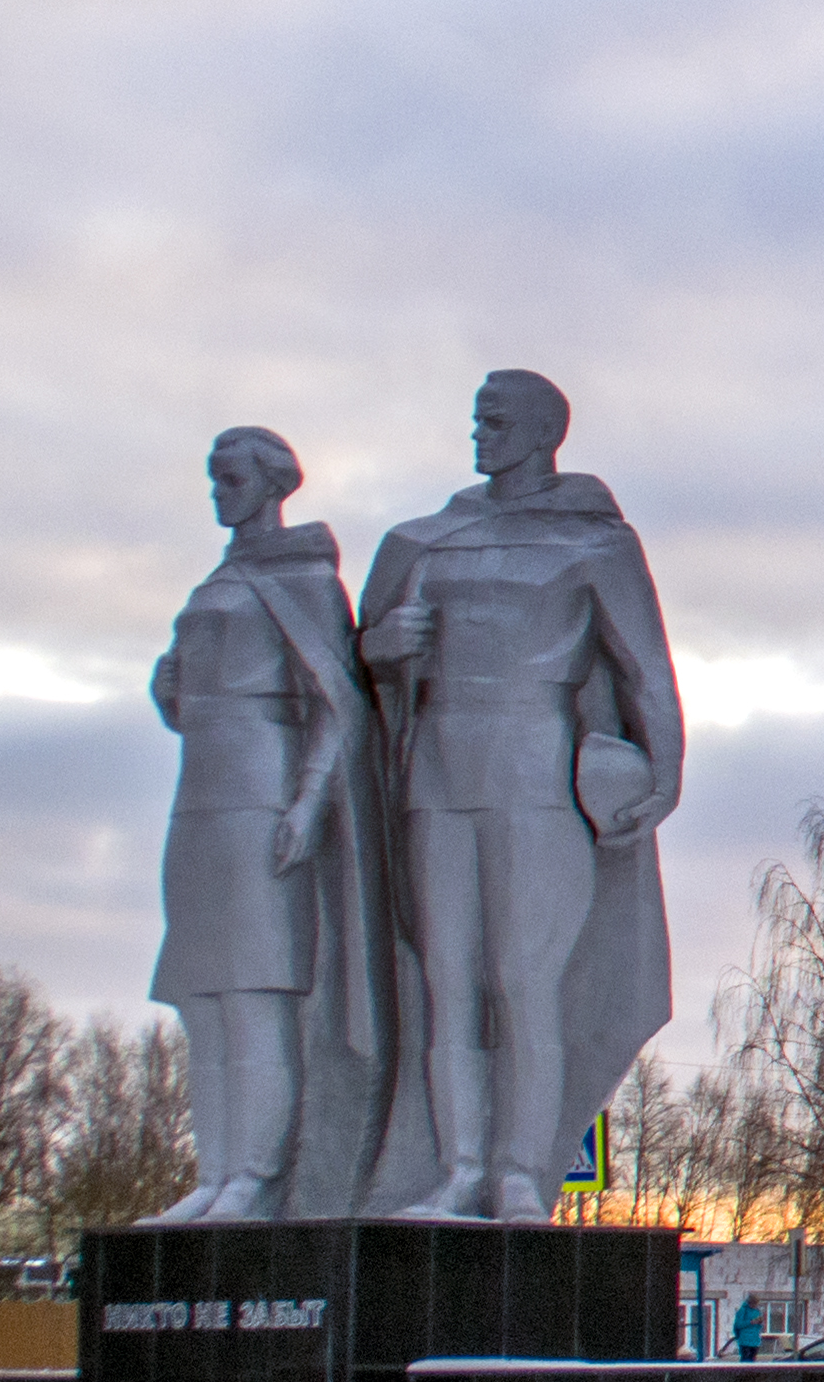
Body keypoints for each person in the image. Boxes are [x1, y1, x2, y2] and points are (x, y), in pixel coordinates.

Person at [357, 370, 683, 1222]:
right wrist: (385, 645)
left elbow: (644, 666)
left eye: (494, 419)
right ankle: (458, 1167)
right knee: (447, 981)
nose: (478, 433)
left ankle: (516, 1173)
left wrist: (664, 773)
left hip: (536, 772)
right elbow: (360, 670)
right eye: (475, 418)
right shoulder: (426, 539)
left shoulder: (593, 542)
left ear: (544, 431)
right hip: (438, 769)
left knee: (524, 980)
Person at [143, 426, 382, 1222]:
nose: (219, 489)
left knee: (258, 997)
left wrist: (311, 800)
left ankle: (256, 1173)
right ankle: (214, 1173)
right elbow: (187, 704)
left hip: (264, 789)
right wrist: (169, 687)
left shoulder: (304, 573)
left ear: (275, 482)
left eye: (232, 475)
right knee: (204, 998)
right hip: (201, 795)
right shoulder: (221, 576)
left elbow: (336, 703)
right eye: (213, 476)